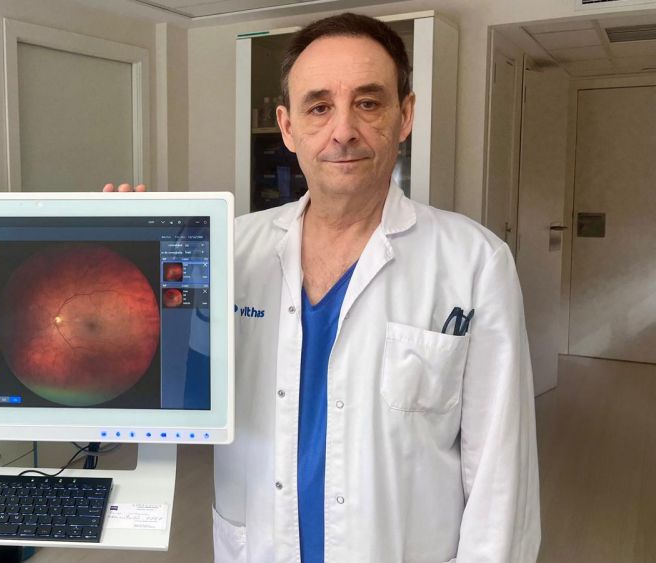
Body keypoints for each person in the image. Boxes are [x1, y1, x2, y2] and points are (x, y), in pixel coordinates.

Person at [106, 12, 539, 562]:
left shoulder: (474, 262)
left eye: (368, 102)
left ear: (405, 115)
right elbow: (175, 393)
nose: (343, 130)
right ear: (288, 127)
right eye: (319, 107)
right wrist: (127, 285)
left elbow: (501, 471)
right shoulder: (229, 250)